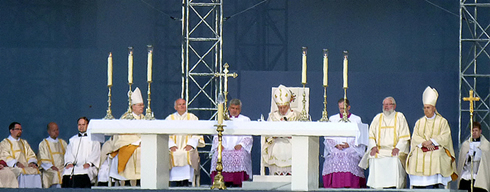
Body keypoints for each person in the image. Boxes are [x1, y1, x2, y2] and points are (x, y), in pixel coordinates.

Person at [406, 86, 458, 188]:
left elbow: (445, 136)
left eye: (428, 108)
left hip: (437, 147)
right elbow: (415, 137)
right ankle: (418, 184)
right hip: (423, 147)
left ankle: (436, 183)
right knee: (416, 155)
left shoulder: (442, 121)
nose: (426, 110)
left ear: (434, 108)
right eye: (424, 108)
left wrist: (432, 141)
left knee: (437, 155)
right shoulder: (419, 122)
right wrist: (424, 143)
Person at [358, 97, 410, 189]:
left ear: (394, 106)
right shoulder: (378, 117)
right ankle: (376, 186)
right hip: (379, 149)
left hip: (394, 149)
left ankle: (395, 186)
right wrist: (373, 146)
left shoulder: (400, 117)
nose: (386, 106)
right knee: (373, 156)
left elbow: (404, 137)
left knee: (396, 158)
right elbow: (371, 135)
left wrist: (398, 148)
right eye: (384, 104)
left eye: (389, 104)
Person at [322, 98, 366, 188]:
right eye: (340, 108)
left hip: (351, 147)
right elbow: (328, 135)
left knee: (347, 154)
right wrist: (335, 145)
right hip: (336, 147)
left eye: (344, 108)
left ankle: (350, 184)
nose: (342, 111)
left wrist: (349, 145)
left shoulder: (356, 119)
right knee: (335, 153)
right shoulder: (333, 119)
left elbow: (360, 135)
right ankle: (334, 185)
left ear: (349, 107)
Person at [210, 99, 253, 187]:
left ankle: (237, 182)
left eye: (237, 109)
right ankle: (220, 180)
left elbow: (248, 136)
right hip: (224, 146)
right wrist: (219, 145)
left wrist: (241, 145)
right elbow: (216, 135)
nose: (234, 110)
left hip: (238, 147)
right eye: (232, 108)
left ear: (240, 109)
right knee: (217, 155)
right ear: (229, 108)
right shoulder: (222, 119)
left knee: (240, 155)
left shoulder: (245, 120)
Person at [108, 87, 145, 185]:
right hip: (128, 143)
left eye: (143, 105)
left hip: (142, 144)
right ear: (133, 107)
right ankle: (128, 179)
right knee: (134, 151)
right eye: (140, 105)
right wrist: (137, 142)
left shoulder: (145, 118)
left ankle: (142, 179)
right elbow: (123, 136)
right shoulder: (126, 118)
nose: (143, 107)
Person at [165, 98, 205, 186]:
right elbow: (165, 135)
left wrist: (190, 145)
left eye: (183, 104)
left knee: (186, 153)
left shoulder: (193, 118)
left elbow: (197, 133)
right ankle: (177, 182)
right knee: (175, 153)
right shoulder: (170, 119)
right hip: (174, 147)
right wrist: (171, 145)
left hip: (187, 146)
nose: (182, 106)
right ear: (175, 107)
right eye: (179, 104)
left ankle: (186, 182)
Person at [262, 85, 300, 175]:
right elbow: (268, 133)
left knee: (290, 148)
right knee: (276, 147)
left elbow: (299, 131)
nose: (282, 110)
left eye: (284, 107)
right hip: (276, 141)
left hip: (291, 142)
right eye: (280, 107)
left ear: (289, 104)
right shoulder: (272, 116)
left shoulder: (296, 115)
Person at [0, 122, 42, 188]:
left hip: (26, 165)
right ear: (11, 130)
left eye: (21, 129)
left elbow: (30, 154)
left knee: (35, 171)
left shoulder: (24, 143)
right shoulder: (4, 143)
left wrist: (31, 162)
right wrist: (16, 163)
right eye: (17, 129)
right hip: (13, 166)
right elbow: (5, 155)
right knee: (20, 171)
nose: (20, 131)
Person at [62, 117, 100, 188]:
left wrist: (89, 163)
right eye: (79, 125)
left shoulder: (94, 139)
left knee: (85, 172)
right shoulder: (73, 140)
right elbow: (69, 153)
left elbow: (96, 153)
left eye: (83, 124)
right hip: (75, 166)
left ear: (87, 125)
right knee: (67, 172)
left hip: (88, 166)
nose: (81, 127)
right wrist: (69, 162)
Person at [457, 121, 490, 192]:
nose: (474, 132)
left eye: (476, 130)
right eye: (472, 130)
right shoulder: (466, 145)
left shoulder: (486, 145)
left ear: (480, 131)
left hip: (480, 177)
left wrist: (477, 153)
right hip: (467, 175)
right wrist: (468, 155)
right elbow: (462, 162)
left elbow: (486, 162)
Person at [38, 122, 67, 188]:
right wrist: (51, 166)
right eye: (54, 130)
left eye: (57, 130)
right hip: (50, 168)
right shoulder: (43, 144)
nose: (56, 132)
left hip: (62, 167)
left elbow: (68, 156)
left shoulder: (63, 143)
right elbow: (43, 159)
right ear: (49, 131)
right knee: (55, 173)